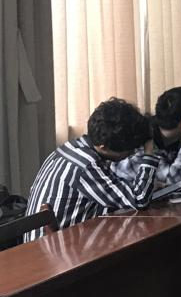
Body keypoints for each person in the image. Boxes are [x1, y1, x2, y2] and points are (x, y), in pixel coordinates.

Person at [26, 98, 158, 231]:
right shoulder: (87, 165)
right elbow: (139, 200)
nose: (132, 153)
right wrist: (149, 153)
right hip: (55, 242)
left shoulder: (71, 147)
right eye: (129, 150)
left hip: (61, 237)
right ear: (103, 146)